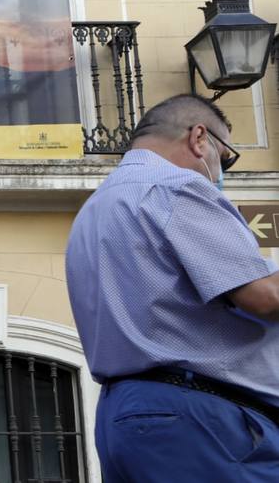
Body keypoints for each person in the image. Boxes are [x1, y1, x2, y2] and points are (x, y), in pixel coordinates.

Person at [68, 94, 279, 479]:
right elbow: (265, 297)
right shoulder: (177, 187)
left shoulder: (95, 208)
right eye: (227, 156)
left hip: (126, 416)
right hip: (203, 417)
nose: (221, 171)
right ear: (200, 139)